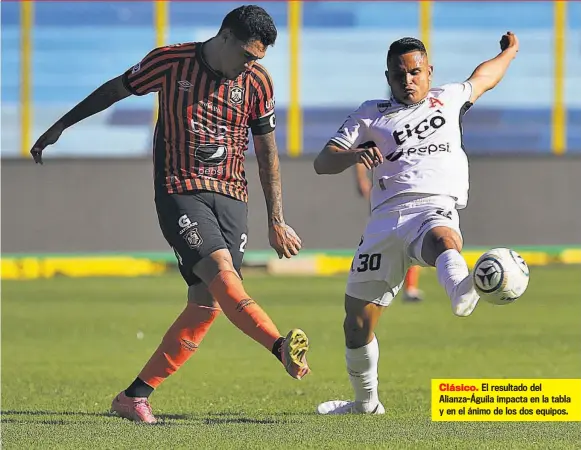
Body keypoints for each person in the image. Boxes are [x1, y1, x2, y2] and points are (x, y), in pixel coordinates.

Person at [30, 5, 310, 424]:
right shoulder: (170, 62)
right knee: (222, 273)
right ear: (226, 37)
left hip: (233, 197)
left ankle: (134, 396)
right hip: (181, 191)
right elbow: (114, 90)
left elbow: (267, 150)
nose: (252, 64)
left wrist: (277, 218)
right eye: (248, 55)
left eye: (259, 58)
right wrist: (61, 126)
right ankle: (279, 346)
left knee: (206, 305)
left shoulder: (257, 83)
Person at [313, 32, 519, 414]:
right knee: (356, 325)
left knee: (442, 237)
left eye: (414, 72)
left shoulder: (450, 97)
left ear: (428, 71)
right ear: (387, 77)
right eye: (397, 75)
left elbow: (486, 76)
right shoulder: (369, 113)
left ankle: (462, 288)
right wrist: (355, 155)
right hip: (384, 220)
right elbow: (323, 161)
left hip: (433, 206)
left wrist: (509, 52)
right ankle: (365, 403)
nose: (406, 81)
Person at [355, 162, 424, 302]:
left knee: (414, 239)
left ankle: (410, 287)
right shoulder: (383, 140)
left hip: (410, 195)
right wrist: (361, 178)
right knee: (381, 243)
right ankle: (371, 286)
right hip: (385, 198)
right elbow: (361, 152)